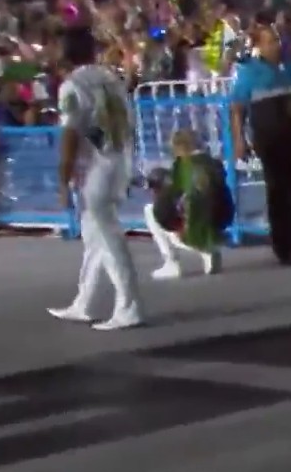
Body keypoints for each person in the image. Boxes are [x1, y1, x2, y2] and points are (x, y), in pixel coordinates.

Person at [48, 25, 143, 331]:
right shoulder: (110, 78)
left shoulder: (72, 86)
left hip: (99, 166)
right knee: (94, 235)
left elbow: (70, 133)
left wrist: (64, 179)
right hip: (121, 157)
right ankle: (84, 301)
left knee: (108, 235)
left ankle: (129, 305)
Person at [227, 24, 291, 265]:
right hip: (267, 138)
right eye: (270, 41)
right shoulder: (249, 74)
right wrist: (239, 140)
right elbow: (237, 109)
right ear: (259, 46)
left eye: (277, 40)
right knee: (277, 188)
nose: (276, 45)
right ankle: (284, 244)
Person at [146, 127, 229, 280]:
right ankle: (209, 246)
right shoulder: (215, 164)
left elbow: (167, 203)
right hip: (220, 220)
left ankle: (173, 261)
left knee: (151, 211)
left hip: (197, 223)